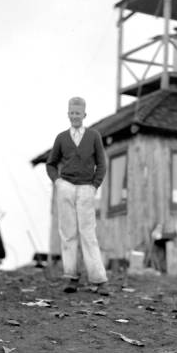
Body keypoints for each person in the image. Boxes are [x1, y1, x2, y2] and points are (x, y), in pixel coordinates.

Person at [46, 97, 108, 293]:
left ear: (84, 115)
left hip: (86, 189)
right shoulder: (61, 138)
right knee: (68, 234)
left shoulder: (94, 136)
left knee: (88, 234)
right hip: (66, 188)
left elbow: (102, 163)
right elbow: (51, 163)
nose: (75, 116)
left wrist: (94, 185)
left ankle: (99, 280)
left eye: (78, 113)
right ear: (68, 114)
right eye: (72, 113)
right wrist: (58, 182)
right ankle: (71, 277)